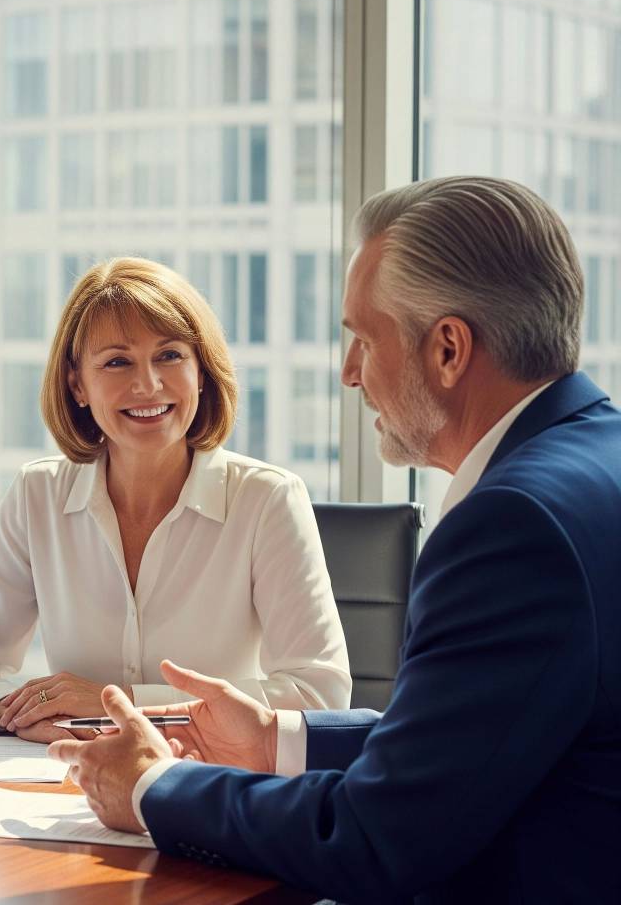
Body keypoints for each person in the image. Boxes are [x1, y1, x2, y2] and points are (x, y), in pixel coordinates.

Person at [50, 177, 621, 904]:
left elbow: (373, 838)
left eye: (363, 339)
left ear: (448, 349)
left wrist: (154, 787)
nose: (349, 373)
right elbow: (472, 738)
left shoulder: (513, 525)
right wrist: (275, 738)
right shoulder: (597, 459)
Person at [0, 257, 350, 743]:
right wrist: (20, 710)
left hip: (208, 776)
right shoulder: (37, 494)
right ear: (77, 385)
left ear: (201, 372)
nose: (147, 384)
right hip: (70, 775)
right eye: (117, 362)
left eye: (170, 356)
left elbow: (320, 693)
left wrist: (121, 703)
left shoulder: (266, 499)